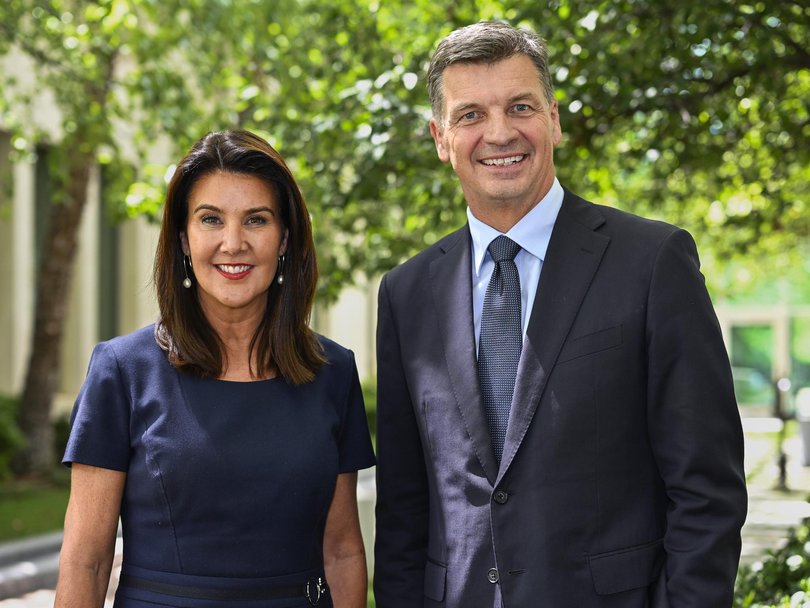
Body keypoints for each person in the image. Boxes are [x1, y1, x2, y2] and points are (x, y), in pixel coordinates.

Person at [374, 21, 747, 608]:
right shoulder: (406, 292)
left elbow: (707, 490)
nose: (499, 133)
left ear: (553, 119)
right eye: (470, 115)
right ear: (441, 137)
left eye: (519, 107)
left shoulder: (652, 263)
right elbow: (404, 508)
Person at [55, 129, 375, 608]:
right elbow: (88, 560)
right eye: (211, 219)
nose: (233, 242)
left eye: (256, 220)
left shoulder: (332, 373)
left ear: (285, 238)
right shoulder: (122, 372)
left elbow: (342, 551)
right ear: (184, 238)